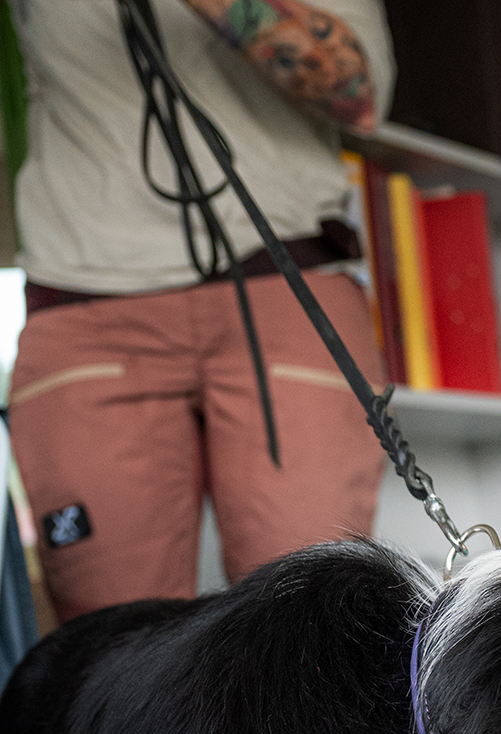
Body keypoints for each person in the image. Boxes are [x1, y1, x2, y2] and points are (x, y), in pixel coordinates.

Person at [5, 0, 394, 622]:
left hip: (283, 284)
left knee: (305, 626)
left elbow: (356, 97)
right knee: (104, 641)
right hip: (84, 307)